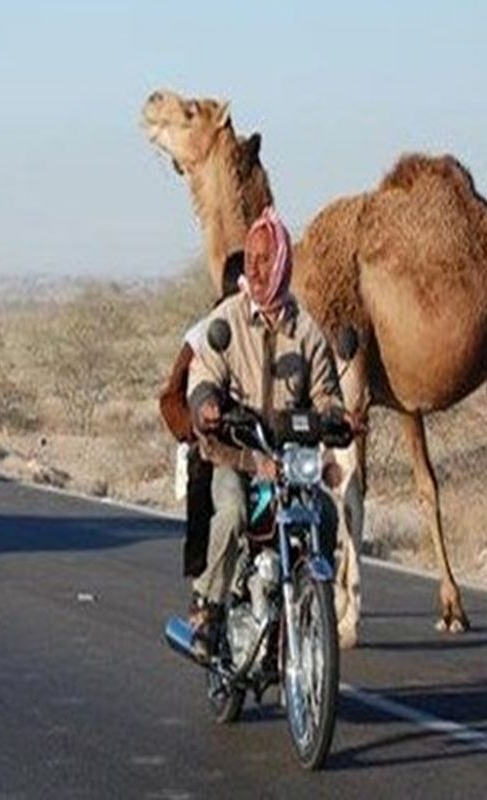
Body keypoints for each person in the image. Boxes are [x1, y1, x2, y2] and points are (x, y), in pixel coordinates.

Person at [186, 207, 349, 654]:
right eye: (251, 260)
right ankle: (209, 606)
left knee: (327, 515)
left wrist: (337, 416)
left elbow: (326, 391)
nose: (256, 270)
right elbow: (202, 374)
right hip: (235, 454)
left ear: (282, 264)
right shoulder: (229, 320)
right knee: (234, 512)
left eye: (265, 259)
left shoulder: (307, 332)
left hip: (287, 463)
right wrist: (207, 405)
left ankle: (310, 605)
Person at [158, 252, 244, 579]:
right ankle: (204, 595)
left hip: (259, 443)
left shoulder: (275, 330)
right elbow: (171, 398)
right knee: (205, 478)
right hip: (216, 441)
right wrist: (196, 427)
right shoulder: (204, 335)